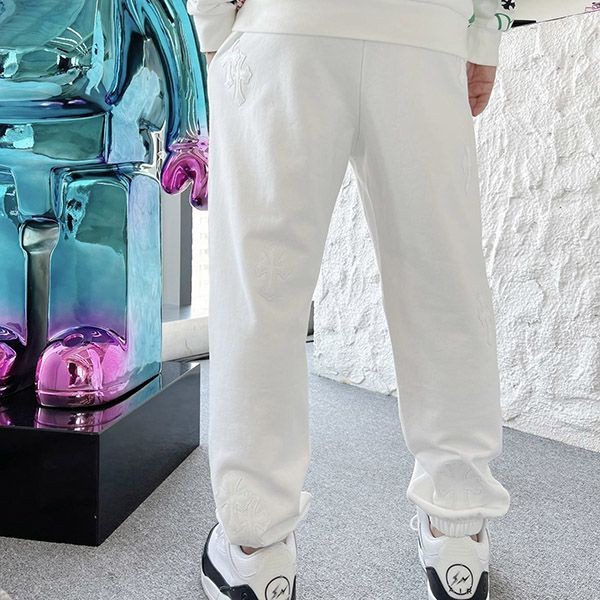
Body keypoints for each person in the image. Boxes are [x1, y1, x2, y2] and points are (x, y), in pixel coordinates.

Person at [188, 1, 514, 598]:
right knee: (443, 283)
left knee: (262, 294)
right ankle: (458, 529)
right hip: (425, 27)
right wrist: (483, 31)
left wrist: (211, 19)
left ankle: (257, 550)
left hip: (285, 26)